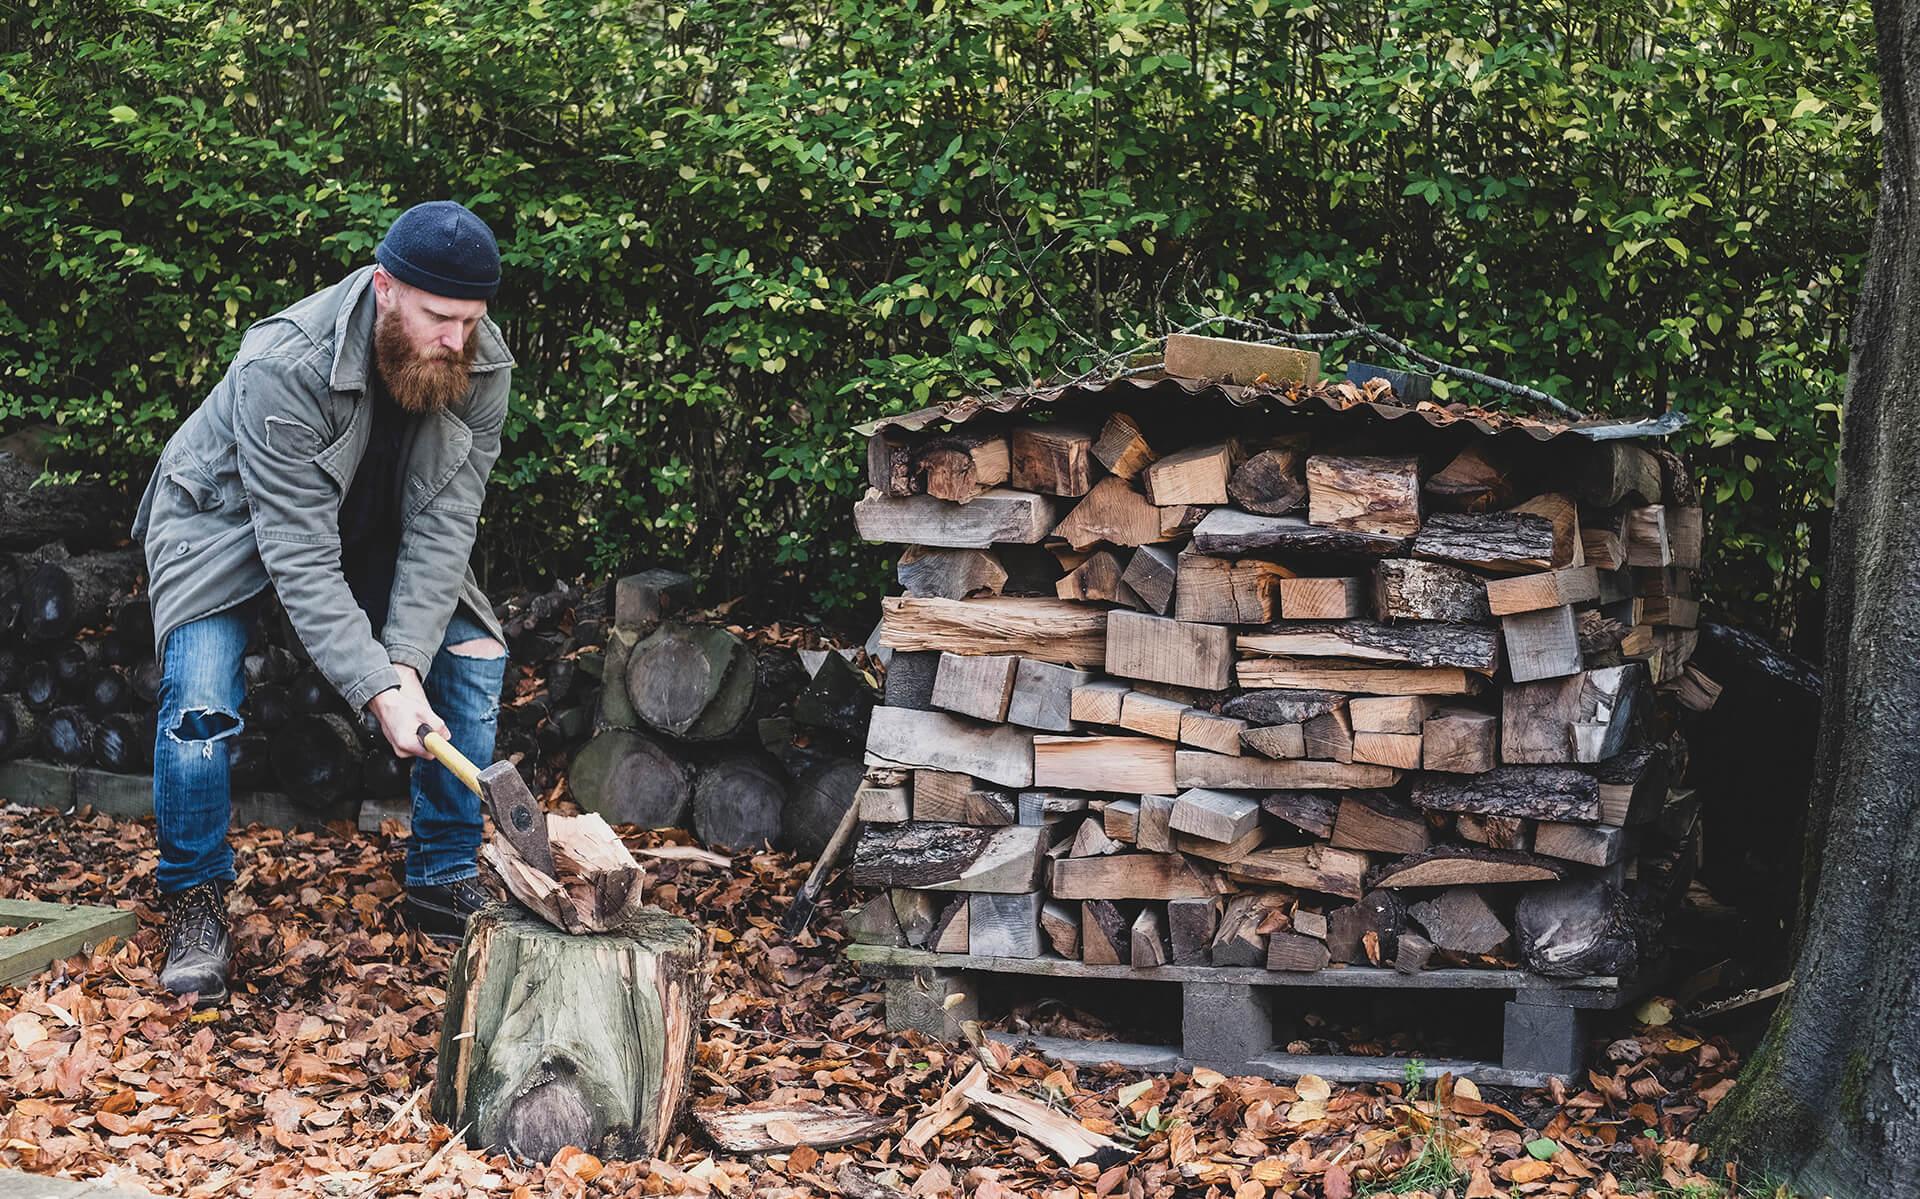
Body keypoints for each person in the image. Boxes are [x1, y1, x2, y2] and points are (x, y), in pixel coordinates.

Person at [130, 201, 515, 1005]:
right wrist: (379, 691)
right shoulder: (286, 361)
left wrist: (406, 663)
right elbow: (298, 556)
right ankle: (194, 896)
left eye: (471, 319)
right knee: (199, 699)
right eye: (440, 316)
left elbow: (446, 527)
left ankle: (444, 874)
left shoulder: (481, 364)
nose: (456, 338)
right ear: (385, 290)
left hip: (374, 521)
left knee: (472, 651)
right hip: (225, 517)